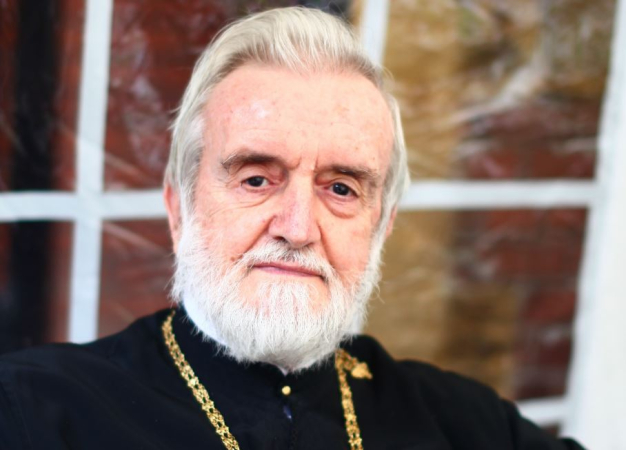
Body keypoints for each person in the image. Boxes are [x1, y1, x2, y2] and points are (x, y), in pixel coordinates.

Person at [0, 7, 584, 450]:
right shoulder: (32, 409)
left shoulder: (466, 423)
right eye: (256, 179)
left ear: (381, 227)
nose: (298, 228)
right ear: (179, 209)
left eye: (341, 188)